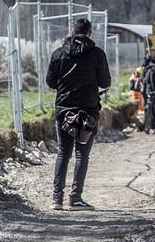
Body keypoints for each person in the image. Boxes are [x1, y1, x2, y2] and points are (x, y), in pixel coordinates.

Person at [45, 17, 111, 211]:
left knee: (63, 153)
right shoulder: (97, 54)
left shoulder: (58, 53)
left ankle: (57, 199)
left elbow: (50, 82)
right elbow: (105, 82)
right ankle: (75, 199)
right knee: (82, 155)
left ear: (73, 32)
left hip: (64, 110)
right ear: (89, 33)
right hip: (88, 111)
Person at [142, 51, 155, 135]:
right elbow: (153, 81)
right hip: (151, 92)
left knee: (149, 111)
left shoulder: (147, 67)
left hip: (147, 92)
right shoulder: (153, 68)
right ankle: (151, 127)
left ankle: (147, 127)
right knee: (152, 111)